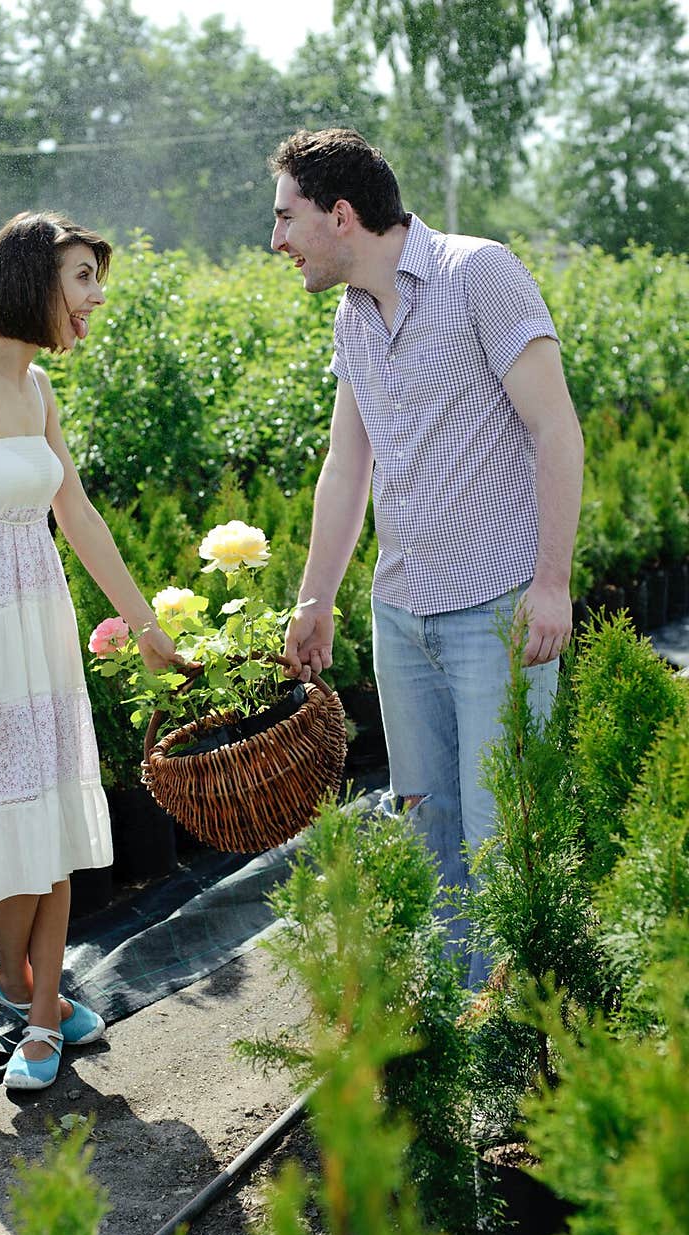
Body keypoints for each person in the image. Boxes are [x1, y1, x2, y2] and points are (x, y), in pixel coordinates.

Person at [274, 129, 584, 988]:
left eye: (286, 217)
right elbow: (348, 464)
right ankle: (456, 1038)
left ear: (341, 216)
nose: (277, 242)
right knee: (427, 837)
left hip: (498, 610)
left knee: (503, 835)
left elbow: (555, 428)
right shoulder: (352, 315)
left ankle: (523, 1047)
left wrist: (553, 583)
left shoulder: (478, 274)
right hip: (402, 617)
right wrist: (316, 598)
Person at [0, 211, 178, 1088]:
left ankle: (44, 1019)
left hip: (36, 613)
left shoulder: (42, 391)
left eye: (97, 277)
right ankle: (17, 980)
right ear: (33, 281)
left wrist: (147, 625)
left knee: (46, 805)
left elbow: (77, 515)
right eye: (83, 278)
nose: (95, 297)